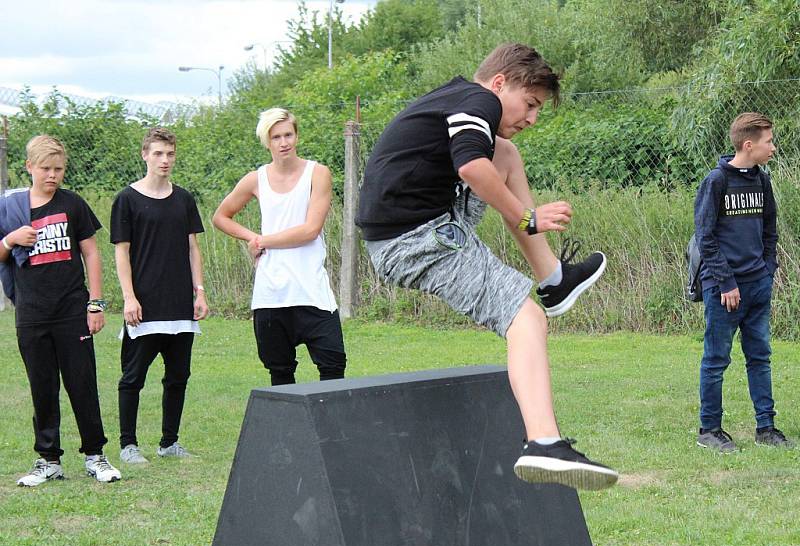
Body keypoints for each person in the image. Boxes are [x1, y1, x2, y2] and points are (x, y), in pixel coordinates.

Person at [356, 43, 617, 491]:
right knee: (524, 317)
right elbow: (473, 168)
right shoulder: (479, 100)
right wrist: (527, 217)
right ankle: (544, 443)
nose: (532, 118)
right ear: (500, 83)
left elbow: (483, 161)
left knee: (506, 155)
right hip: (416, 240)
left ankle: (552, 278)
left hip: (424, 223)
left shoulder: (458, 100)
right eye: (530, 104)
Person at [0, 135, 121, 486]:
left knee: (82, 383)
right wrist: (10, 240)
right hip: (31, 312)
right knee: (42, 386)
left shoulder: (72, 204)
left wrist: (95, 303)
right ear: (29, 168)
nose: (52, 175)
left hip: (72, 310)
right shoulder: (11, 208)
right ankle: (48, 460)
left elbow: (92, 254)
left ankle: (96, 456)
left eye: (58, 169)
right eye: (45, 169)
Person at [212, 108, 346, 386]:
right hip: (271, 293)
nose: (284, 142)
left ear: (296, 136)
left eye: (288, 135)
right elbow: (221, 217)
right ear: (267, 141)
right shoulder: (255, 179)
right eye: (276, 137)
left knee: (333, 367)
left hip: (312, 290)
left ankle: (334, 429)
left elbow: (310, 230)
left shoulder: (317, 173)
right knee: (280, 374)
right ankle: (289, 430)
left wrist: (263, 240)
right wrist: (251, 237)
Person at [694, 112, 794, 452]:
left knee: (760, 356)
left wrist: (768, 271)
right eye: (769, 142)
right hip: (724, 289)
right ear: (748, 145)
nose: (774, 148)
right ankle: (709, 430)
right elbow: (705, 237)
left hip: (758, 284)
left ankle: (766, 427)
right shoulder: (716, 181)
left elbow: (770, 230)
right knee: (716, 358)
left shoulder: (762, 181)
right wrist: (726, 283)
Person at [111, 127, 209, 465]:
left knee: (178, 377)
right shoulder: (127, 199)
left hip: (181, 304)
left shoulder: (183, 199)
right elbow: (121, 253)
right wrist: (129, 297)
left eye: (169, 154)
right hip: (144, 306)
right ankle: (128, 445)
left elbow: (192, 248)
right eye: (158, 153)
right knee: (133, 377)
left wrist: (199, 291)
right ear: (145, 155)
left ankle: (169, 442)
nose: (164, 160)